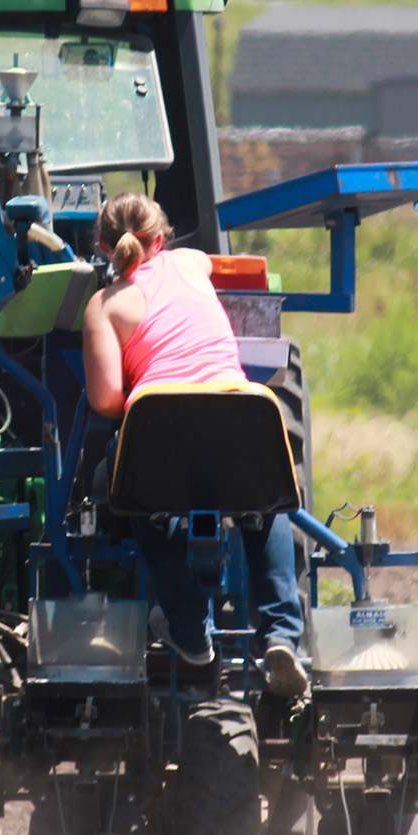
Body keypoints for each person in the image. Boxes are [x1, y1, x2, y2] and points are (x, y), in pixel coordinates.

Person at [80, 191, 308, 700]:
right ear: (161, 238)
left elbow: (105, 399)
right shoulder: (187, 263)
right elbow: (204, 261)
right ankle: (280, 633)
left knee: (140, 498)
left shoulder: (104, 305)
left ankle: (188, 630)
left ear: (99, 244)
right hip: (243, 410)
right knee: (267, 504)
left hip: (162, 421)